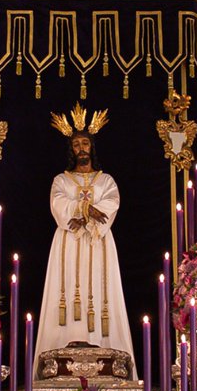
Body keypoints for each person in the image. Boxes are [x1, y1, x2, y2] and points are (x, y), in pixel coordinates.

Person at [34, 106, 135, 368]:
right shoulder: (61, 180)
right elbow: (58, 203)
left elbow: (112, 202)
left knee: (103, 291)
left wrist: (90, 213)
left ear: (92, 147)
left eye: (85, 143)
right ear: (71, 149)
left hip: (98, 242)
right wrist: (82, 210)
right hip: (68, 242)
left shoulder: (106, 181)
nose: (81, 148)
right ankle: (60, 351)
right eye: (76, 144)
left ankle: (107, 354)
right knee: (65, 288)